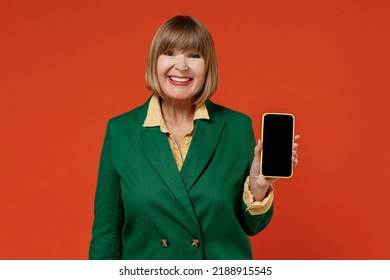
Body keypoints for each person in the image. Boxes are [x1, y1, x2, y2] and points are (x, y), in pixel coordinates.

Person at [89, 15, 299, 260]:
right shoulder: (121, 131)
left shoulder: (237, 128)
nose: (181, 66)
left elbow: (252, 226)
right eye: (169, 53)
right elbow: (107, 234)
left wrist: (258, 187)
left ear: (207, 65)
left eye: (194, 55)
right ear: (154, 61)